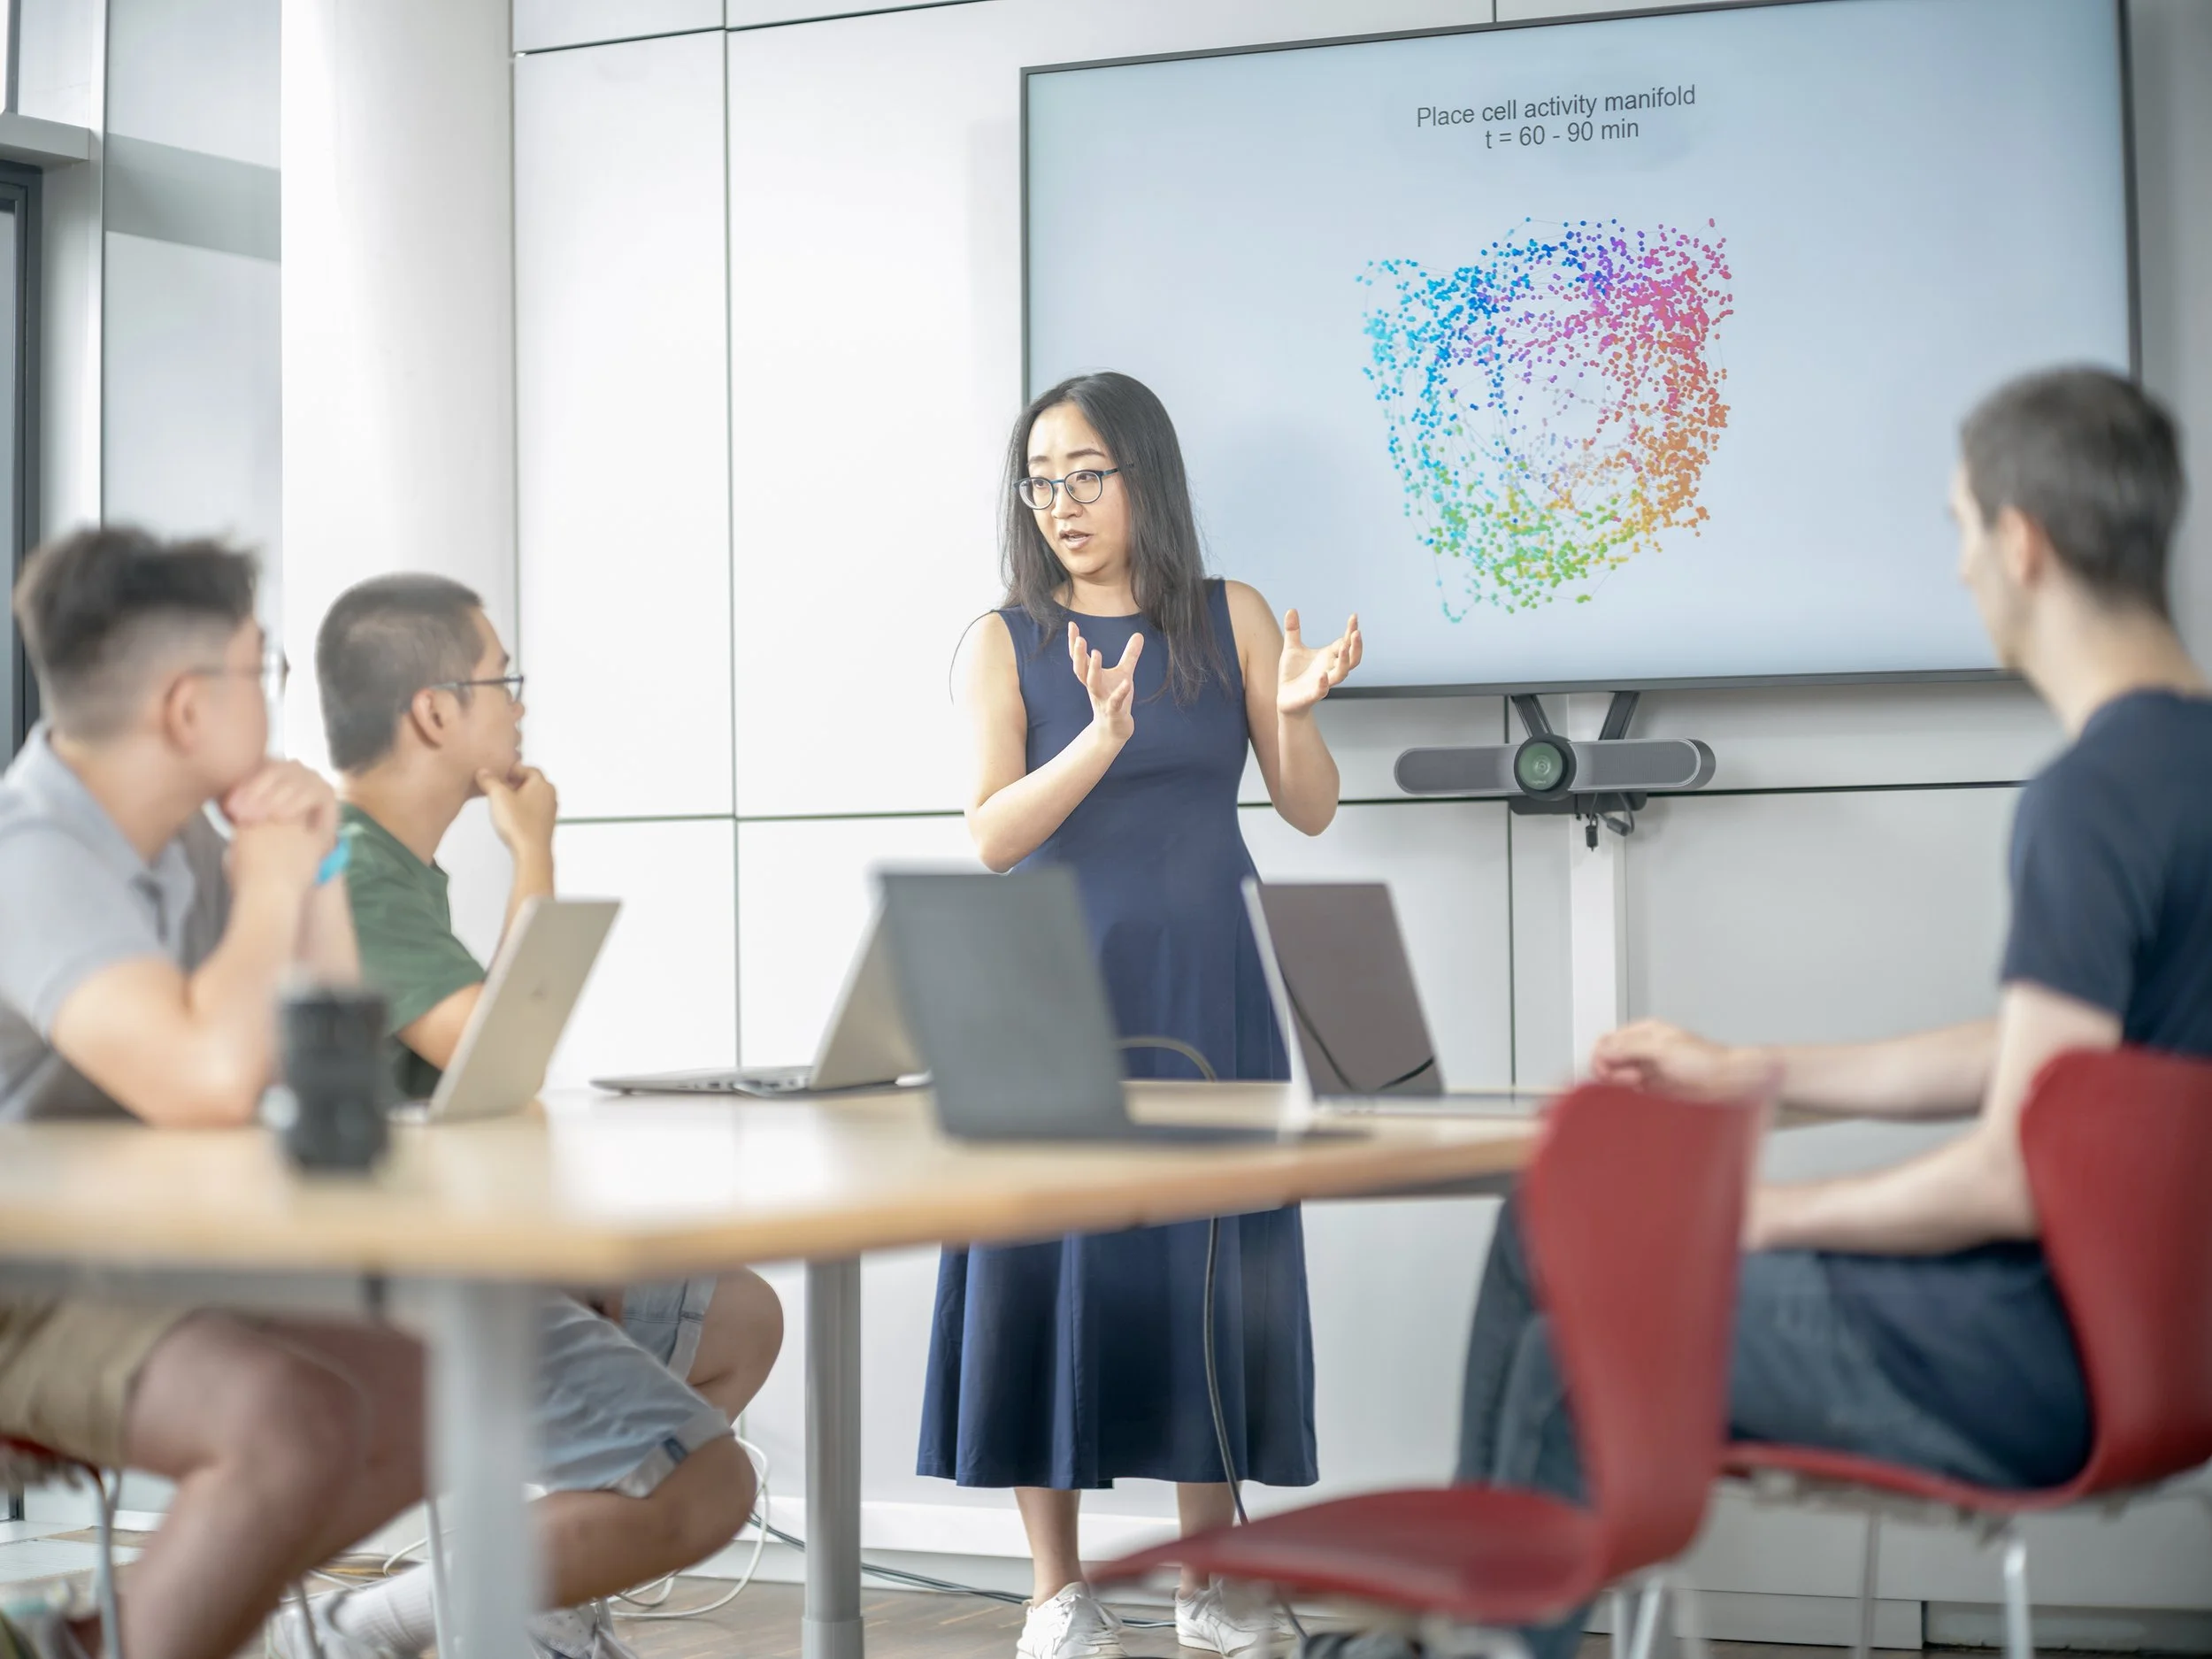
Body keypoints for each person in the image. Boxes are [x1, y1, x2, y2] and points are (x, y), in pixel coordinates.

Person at [1379, 366, 2207, 1659]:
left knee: (1570, 1352)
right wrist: (1754, 1072)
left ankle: (1459, 1645)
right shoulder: (2184, 774)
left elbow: (2012, 1173)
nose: (1960, 570)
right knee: (1544, 1215)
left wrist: (1746, 1214)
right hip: (2165, 1340)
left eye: (1959, 529)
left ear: (2022, 541)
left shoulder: (2091, 795)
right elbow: (2061, 1064)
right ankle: (1439, 1637)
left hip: (2029, 1353)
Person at [929, 371, 1363, 1659]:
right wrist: (1098, 738)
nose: (1061, 501)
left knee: (1207, 1266)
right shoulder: (1002, 638)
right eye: (1042, 477)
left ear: (1145, 478)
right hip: (1054, 984)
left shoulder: (1224, 616)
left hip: (1210, 976)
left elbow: (1310, 807)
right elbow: (994, 833)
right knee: (1044, 1263)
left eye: (1086, 474)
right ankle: (1056, 1589)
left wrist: (1290, 714)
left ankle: (1210, 1580)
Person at [302, 572, 784, 1658]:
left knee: (741, 1316)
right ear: (434, 711)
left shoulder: (397, 871)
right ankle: (372, 1625)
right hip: (385, 1284)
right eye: (501, 681)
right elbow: (499, 1059)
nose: (520, 707)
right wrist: (533, 854)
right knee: (711, 1478)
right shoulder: (350, 868)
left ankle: (542, 1594)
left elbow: (477, 1097)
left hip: (453, 1248)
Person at [0, 526, 427, 1659]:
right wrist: (274, 873)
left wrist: (319, 862)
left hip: (121, 1258)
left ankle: (114, 1637)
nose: (278, 701)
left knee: (435, 1383)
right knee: (294, 1421)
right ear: (190, 708)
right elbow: (208, 1082)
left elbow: (322, 1061)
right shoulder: (28, 852)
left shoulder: (193, 844)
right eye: (264, 669)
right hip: (17, 1282)